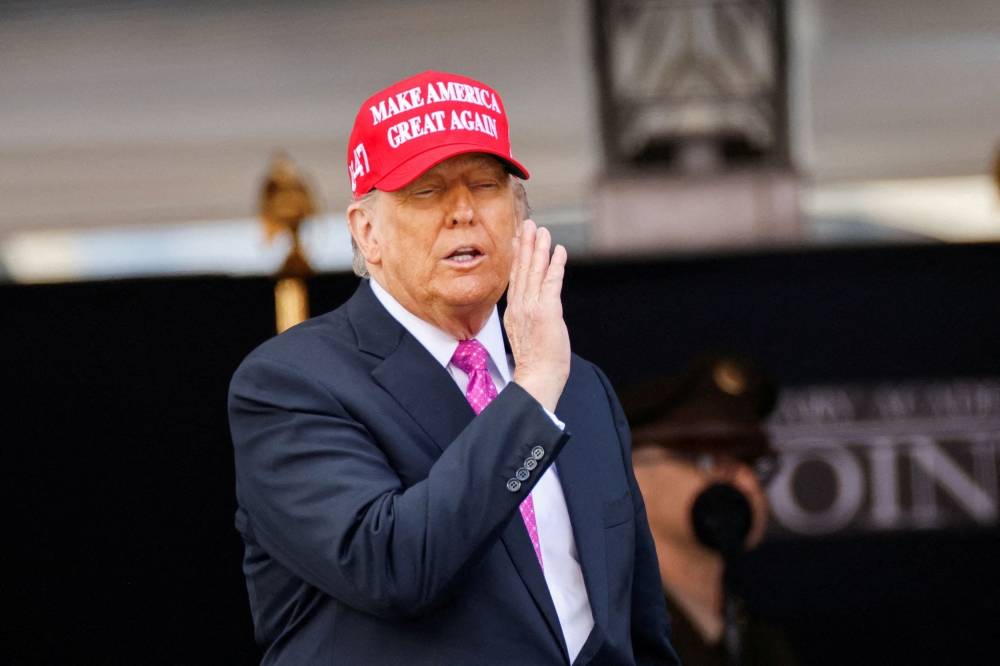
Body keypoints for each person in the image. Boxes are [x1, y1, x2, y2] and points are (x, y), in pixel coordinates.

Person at [228, 71, 680, 666]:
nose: (463, 211)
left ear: (520, 217)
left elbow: (636, 623)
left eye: (486, 185)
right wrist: (532, 392)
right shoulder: (291, 383)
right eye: (427, 191)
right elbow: (393, 566)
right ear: (367, 232)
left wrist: (539, 383)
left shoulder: (580, 385)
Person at [621, 354, 798, 666]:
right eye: (707, 461)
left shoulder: (763, 644)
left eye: (749, 462)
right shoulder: (615, 642)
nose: (744, 482)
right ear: (632, 477)